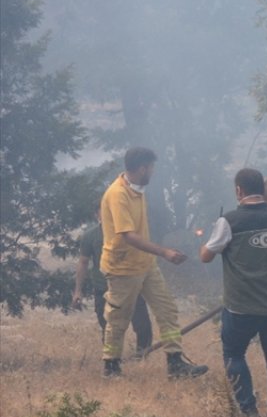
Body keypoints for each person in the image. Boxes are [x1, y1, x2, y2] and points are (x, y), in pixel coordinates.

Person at [98, 147, 208, 379]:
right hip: (123, 267)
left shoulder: (137, 190)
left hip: (145, 264)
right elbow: (128, 235)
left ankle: (175, 363)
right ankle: (111, 366)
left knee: (167, 309)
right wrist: (164, 252)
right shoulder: (118, 194)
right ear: (142, 168)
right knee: (119, 318)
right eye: (152, 168)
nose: (154, 172)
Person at [199, 169, 267, 417]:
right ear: (263, 189)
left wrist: (210, 238)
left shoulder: (229, 222)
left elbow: (205, 256)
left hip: (242, 307)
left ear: (238, 191)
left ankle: (249, 412)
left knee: (233, 354)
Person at [74, 213, 152, 357]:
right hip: (103, 288)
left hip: (131, 287)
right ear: (98, 215)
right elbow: (83, 262)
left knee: (143, 326)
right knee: (108, 328)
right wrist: (78, 291)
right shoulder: (90, 236)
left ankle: (142, 357)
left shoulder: (130, 234)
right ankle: (113, 364)